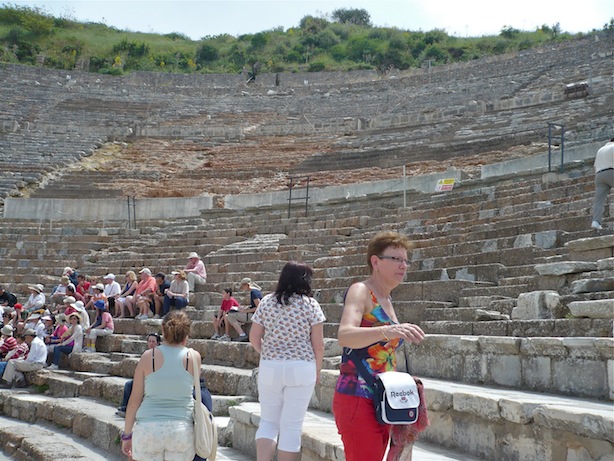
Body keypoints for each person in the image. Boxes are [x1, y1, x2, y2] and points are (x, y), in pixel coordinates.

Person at [332, 231, 426, 461]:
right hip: (357, 396)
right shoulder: (360, 291)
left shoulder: (388, 299)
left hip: (384, 398)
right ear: (375, 261)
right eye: (396, 259)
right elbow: (345, 335)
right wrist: (387, 330)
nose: (403, 265)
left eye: (405, 260)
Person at [249, 261, 325, 461]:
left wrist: (266, 353)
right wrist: (317, 370)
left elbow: (254, 337)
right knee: (291, 426)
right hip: (302, 366)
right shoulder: (310, 305)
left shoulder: (266, 301)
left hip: (270, 366)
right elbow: (318, 345)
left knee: (268, 422)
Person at [121, 310, 202, 461]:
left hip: (148, 427)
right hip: (181, 428)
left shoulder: (148, 356)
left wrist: (127, 434)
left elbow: (134, 401)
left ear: (163, 330)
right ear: (186, 333)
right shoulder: (194, 357)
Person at [116, 333, 162, 417]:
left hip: (155, 380)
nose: (151, 343)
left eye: (153, 341)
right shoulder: (146, 354)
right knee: (129, 384)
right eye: (149, 341)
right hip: (145, 379)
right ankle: (125, 408)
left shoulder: (160, 355)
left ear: (158, 343)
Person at [227, 277, 263, 342]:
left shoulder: (253, 292)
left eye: (243, 286)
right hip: (256, 315)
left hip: (254, 316)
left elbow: (259, 307)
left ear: (246, 285)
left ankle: (242, 334)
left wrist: (245, 311)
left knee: (230, 315)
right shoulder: (256, 291)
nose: (243, 288)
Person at [591, 137, 614, 230]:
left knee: (599, 200)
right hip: (611, 171)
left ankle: (596, 221)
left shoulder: (600, 150)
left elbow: (595, 165)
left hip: (599, 175)